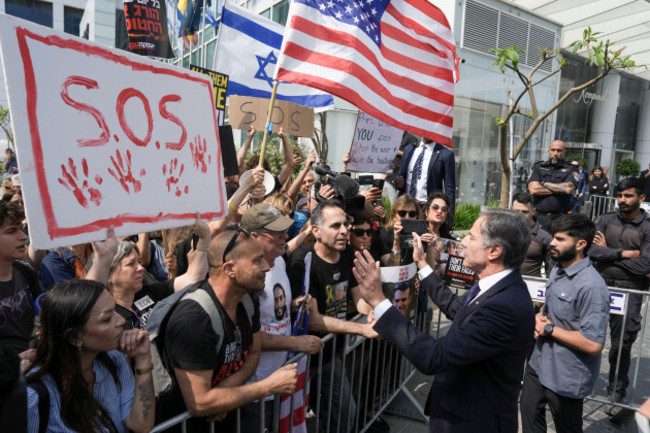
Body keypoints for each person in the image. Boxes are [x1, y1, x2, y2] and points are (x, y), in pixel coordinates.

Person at [353, 208, 535, 433]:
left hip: (472, 423)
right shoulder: (496, 287)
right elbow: (456, 308)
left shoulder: (504, 305)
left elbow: (434, 357)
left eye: (471, 236)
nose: (464, 242)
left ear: (494, 251)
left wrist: (379, 301)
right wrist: (421, 264)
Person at [161, 229, 298, 432]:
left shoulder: (248, 300)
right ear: (229, 269)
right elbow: (199, 403)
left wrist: (222, 396)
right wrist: (267, 387)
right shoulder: (194, 320)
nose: (266, 267)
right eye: (257, 261)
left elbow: (253, 353)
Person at [288, 200, 377, 433]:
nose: (345, 230)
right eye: (336, 226)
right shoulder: (302, 262)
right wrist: (361, 329)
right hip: (302, 359)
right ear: (316, 231)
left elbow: (358, 299)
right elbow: (314, 320)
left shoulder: (346, 251)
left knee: (345, 414)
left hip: (329, 355)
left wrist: (373, 314)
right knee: (295, 421)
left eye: (345, 225)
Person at [25, 280, 155, 433]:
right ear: (74, 337)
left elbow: (141, 425)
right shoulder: (33, 396)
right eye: (107, 319)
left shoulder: (115, 359)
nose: (120, 320)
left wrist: (143, 359)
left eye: (115, 310)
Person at [520, 214, 610, 432]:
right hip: (538, 363)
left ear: (580, 244)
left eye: (560, 239)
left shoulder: (592, 286)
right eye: (553, 237)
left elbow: (593, 344)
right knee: (529, 417)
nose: (552, 242)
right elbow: (549, 310)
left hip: (566, 375)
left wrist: (549, 329)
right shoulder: (558, 268)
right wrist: (539, 316)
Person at [239, 203, 323, 432]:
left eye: (285, 230)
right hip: (256, 390)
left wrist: (293, 307)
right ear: (254, 237)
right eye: (277, 232)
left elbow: (274, 315)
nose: (285, 236)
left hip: (280, 379)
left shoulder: (279, 262)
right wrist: (296, 343)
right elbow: (251, 336)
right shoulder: (247, 279)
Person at [588, 178, 650, 405]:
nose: (622, 200)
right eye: (620, 195)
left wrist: (610, 252)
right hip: (599, 284)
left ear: (641, 198)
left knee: (622, 342)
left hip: (630, 290)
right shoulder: (606, 219)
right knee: (585, 334)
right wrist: (625, 254)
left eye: (628, 196)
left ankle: (617, 391)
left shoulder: (647, 227)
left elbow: (645, 265)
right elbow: (592, 251)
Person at [106, 215, 211, 330]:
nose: (140, 268)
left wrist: (204, 241)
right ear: (110, 272)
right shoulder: (105, 314)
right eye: (131, 264)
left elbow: (193, 278)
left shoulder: (150, 293)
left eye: (139, 262)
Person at [527, 140, 578, 229]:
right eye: (553, 150)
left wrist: (543, 184)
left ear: (564, 153)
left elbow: (568, 188)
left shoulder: (571, 169)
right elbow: (533, 189)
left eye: (559, 151)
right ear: (548, 152)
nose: (555, 153)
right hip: (539, 218)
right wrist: (559, 189)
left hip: (560, 219)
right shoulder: (538, 167)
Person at [396, 137, 456, 211]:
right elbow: (400, 175)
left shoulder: (445, 154)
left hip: (428, 208)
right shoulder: (409, 149)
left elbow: (449, 189)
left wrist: (449, 217)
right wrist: (399, 182)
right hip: (406, 207)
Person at [371, 194, 422, 266]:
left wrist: (430, 248)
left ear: (416, 216)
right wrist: (396, 243)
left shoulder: (419, 235)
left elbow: (429, 268)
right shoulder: (383, 233)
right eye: (402, 213)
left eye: (412, 214)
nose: (407, 217)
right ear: (394, 214)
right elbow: (391, 267)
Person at [511, 192, 553, 278]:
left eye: (524, 212)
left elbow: (551, 269)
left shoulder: (544, 237)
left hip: (531, 286)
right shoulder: (501, 231)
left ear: (533, 211)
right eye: (516, 211)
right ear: (511, 210)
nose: (520, 215)